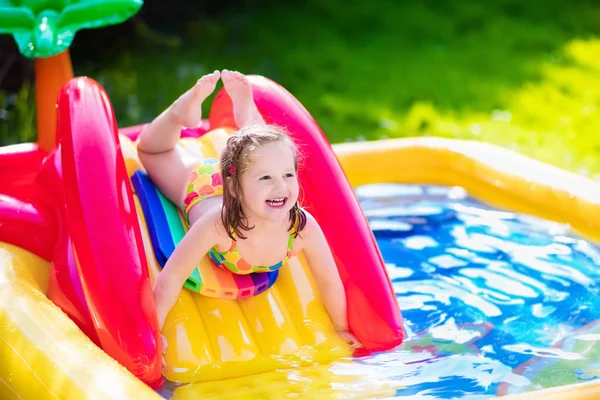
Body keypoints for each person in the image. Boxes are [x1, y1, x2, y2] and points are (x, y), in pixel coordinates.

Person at [137, 69, 362, 349]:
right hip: (203, 188)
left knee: (264, 152)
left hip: (239, 180)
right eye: (267, 178)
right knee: (150, 151)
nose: (281, 187)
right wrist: (154, 333)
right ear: (234, 187)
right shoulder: (217, 225)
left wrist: (341, 327)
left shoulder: (301, 226)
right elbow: (170, 279)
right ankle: (180, 111)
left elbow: (328, 280)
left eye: (288, 175)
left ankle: (245, 109)